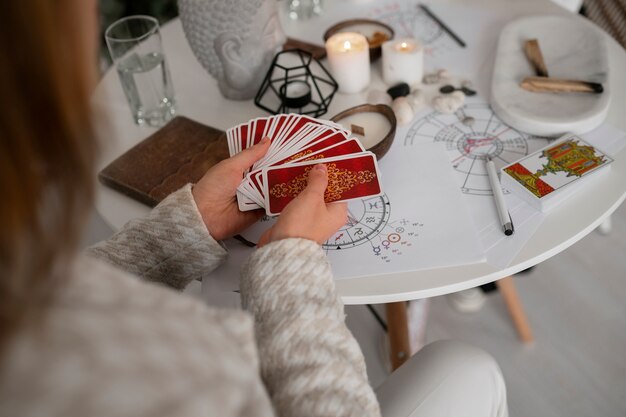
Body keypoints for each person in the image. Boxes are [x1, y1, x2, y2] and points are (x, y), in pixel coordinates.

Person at [0, 1, 509, 416]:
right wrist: (289, 260)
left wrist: (185, 229)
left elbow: (74, 299)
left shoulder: (26, 291)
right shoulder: (183, 364)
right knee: (469, 365)